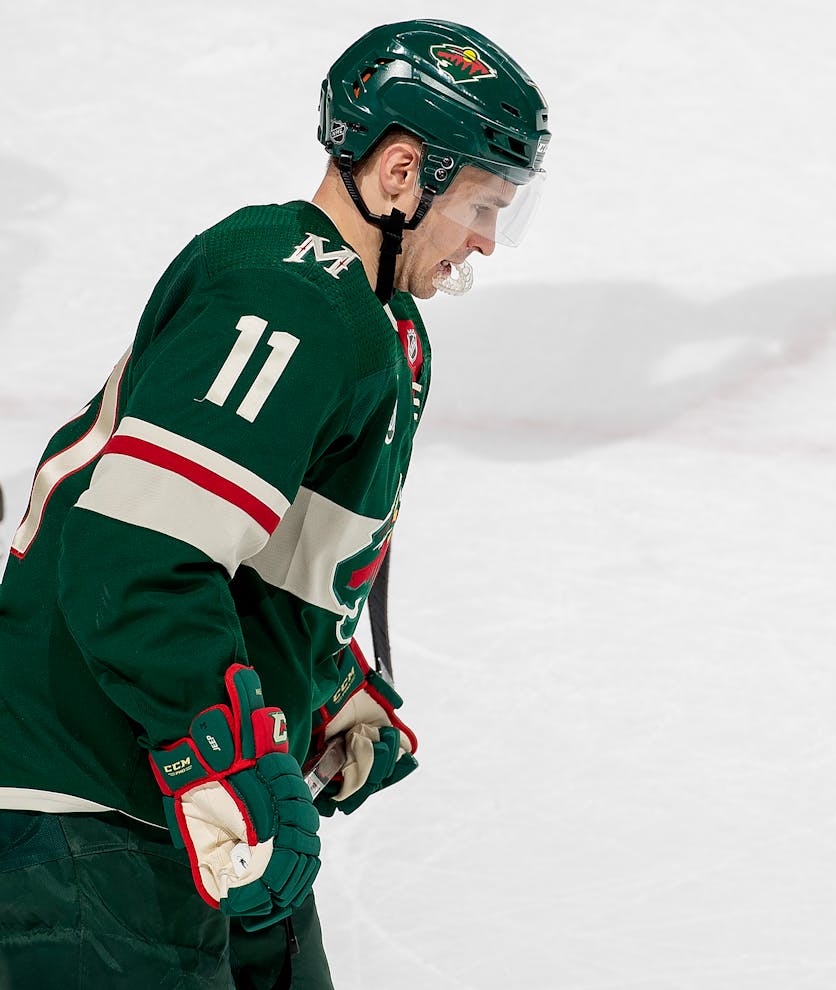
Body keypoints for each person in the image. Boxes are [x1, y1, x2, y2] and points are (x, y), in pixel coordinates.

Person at [0, 19, 551, 989]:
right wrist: (227, 752)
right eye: (479, 203)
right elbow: (136, 557)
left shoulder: (371, 320)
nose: (486, 241)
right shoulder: (291, 295)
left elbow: (258, 561)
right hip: (85, 803)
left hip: (182, 813)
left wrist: (318, 697)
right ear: (398, 174)